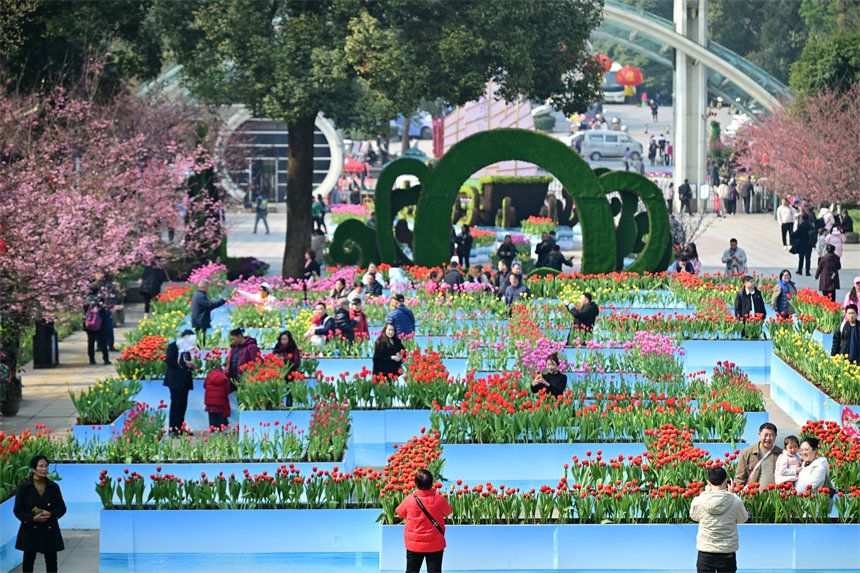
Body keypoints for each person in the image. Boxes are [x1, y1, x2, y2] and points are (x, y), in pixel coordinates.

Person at [689, 465, 748, 573]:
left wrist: (706, 493)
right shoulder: (735, 501)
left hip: (706, 552)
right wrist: (733, 494)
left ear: (709, 482)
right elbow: (743, 518)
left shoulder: (698, 501)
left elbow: (694, 516)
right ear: (726, 481)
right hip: (727, 552)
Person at [14, 455, 66, 573]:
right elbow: (18, 510)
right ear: (33, 469)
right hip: (30, 528)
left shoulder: (54, 487)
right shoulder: (24, 488)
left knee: (51, 560)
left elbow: (62, 508)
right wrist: (32, 518)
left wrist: (51, 514)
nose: (44, 469)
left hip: (50, 528)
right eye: (41, 466)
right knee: (28, 560)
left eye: (46, 466)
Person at [395, 468, 452, 573]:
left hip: (414, 544)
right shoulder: (440, 500)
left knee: (411, 571)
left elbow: (400, 513)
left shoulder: (409, 499)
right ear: (432, 483)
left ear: (416, 484)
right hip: (435, 544)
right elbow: (448, 512)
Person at [164, 329, 198, 436]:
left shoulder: (188, 349)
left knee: (183, 405)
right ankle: (172, 429)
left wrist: (193, 365)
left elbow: (189, 360)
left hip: (185, 381)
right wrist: (184, 364)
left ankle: (180, 428)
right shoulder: (174, 346)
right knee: (176, 405)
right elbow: (169, 360)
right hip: (175, 380)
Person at [734, 422, 782, 487]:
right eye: (765, 435)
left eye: (771, 435)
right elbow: (740, 476)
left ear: (775, 436)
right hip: (753, 492)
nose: (768, 438)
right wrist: (740, 490)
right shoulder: (747, 452)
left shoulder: (780, 454)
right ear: (759, 435)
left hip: (774, 493)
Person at [191, 279, 226, 346]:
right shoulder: (200, 296)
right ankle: (200, 351)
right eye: (208, 286)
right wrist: (222, 301)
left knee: (201, 340)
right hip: (200, 322)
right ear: (204, 287)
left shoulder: (198, 295)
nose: (208, 288)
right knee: (201, 341)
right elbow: (210, 305)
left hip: (199, 321)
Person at [83, 286, 110, 366]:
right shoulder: (100, 300)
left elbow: (84, 311)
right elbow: (104, 311)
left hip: (89, 325)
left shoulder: (86, 301)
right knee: (103, 341)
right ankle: (106, 359)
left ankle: (92, 360)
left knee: (91, 342)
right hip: (100, 324)